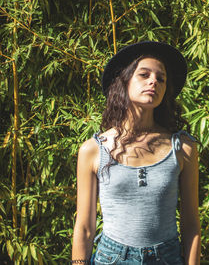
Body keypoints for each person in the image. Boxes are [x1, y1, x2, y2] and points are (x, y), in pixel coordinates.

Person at [71, 41, 201, 264]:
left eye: (161, 79)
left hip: (167, 258)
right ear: (124, 81)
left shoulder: (183, 148)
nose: (153, 81)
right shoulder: (93, 150)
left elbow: (191, 226)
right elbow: (84, 228)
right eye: (144, 74)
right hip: (111, 258)